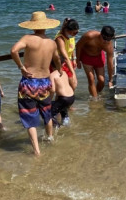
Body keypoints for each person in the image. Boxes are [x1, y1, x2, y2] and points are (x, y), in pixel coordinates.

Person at [10, 11, 62, 156]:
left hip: (29, 82)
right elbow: (57, 59)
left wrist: (21, 67)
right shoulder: (52, 43)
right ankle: (50, 138)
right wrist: (60, 70)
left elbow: (13, 50)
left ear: (32, 26)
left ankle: (37, 151)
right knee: (46, 111)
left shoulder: (28, 38)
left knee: (29, 116)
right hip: (45, 83)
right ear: (46, 26)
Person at [76, 25, 116, 97]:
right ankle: (95, 100)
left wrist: (110, 80)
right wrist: (77, 60)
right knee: (91, 79)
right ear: (101, 34)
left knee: (102, 81)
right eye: (104, 38)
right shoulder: (89, 36)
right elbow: (78, 45)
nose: (106, 41)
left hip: (98, 57)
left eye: (108, 39)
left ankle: (95, 94)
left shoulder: (109, 46)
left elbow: (110, 63)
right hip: (86, 56)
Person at [55, 18, 79, 91]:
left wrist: (74, 59)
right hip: (61, 63)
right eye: (74, 33)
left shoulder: (71, 36)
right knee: (71, 86)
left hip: (69, 62)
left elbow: (72, 48)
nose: (75, 34)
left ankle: (62, 100)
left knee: (72, 86)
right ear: (68, 30)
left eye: (77, 33)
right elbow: (65, 57)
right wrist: (73, 73)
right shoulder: (60, 38)